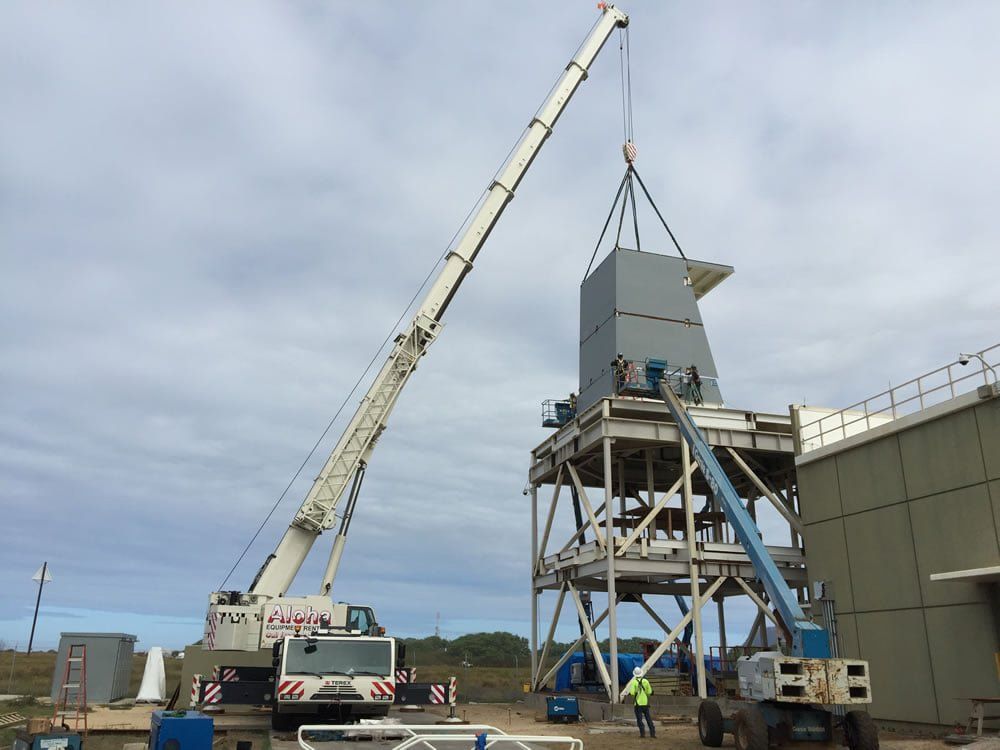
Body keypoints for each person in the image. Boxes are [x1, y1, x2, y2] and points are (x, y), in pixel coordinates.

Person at [629, 666, 655, 738]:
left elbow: (632, 693)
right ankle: (652, 733)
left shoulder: (634, 682)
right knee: (648, 718)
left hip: (638, 704)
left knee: (639, 719)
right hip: (645, 703)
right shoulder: (646, 681)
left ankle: (642, 734)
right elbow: (649, 692)